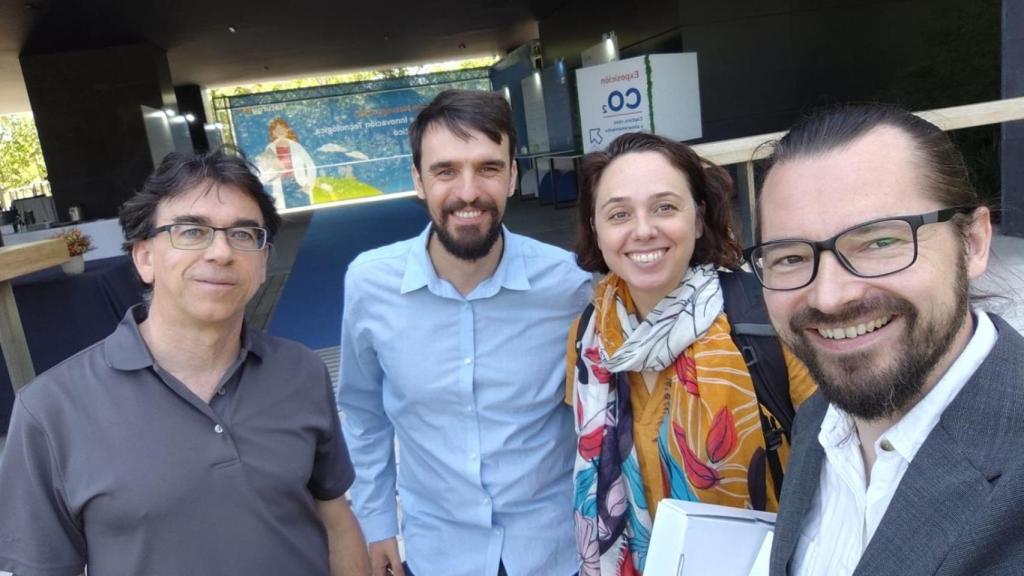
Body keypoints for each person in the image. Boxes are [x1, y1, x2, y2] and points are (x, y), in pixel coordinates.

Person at [0, 149, 370, 575]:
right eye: (192, 231)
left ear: (263, 261)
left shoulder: (301, 372)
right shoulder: (51, 409)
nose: (221, 252)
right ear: (144, 258)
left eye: (244, 233)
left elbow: (335, 517)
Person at [746, 105, 1024, 575]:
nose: (830, 297)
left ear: (973, 243)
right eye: (790, 257)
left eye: (879, 243)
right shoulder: (817, 421)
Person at [338, 89, 592, 576]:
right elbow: (364, 415)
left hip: (557, 550)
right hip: (438, 552)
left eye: (488, 168)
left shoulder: (570, 285)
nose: (469, 192)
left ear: (512, 176)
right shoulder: (369, 285)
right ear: (418, 180)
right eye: (446, 171)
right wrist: (376, 524)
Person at [568, 132, 817, 575]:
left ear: (699, 219)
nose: (643, 230)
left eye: (665, 207)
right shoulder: (588, 339)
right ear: (596, 229)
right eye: (619, 214)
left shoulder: (765, 320)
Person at [257, 117, 317, 208]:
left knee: (306, 211)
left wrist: (309, 184)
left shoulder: (296, 146)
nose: (280, 132)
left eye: (282, 129)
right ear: (273, 132)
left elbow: (310, 164)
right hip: (281, 186)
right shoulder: (270, 148)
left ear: (287, 130)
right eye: (277, 130)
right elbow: (265, 170)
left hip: (299, 185)